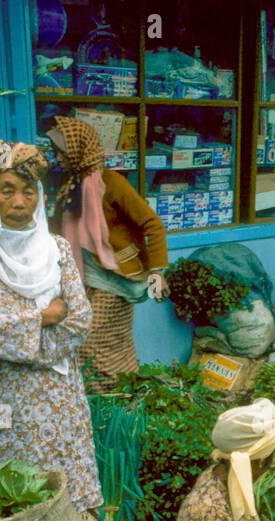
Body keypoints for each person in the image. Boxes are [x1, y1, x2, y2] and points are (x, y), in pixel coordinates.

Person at [0, 138, 102, 517]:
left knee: (61, 500)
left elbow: (80, 321)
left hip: (56, 404)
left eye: (29, 191)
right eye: (7, 190)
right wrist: (44, 318)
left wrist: (10, 332)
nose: (20, 203)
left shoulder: (58, 250)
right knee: (3, 503)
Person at [47, 115, 168, 391]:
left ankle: (114, 398)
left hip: (116, 278)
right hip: (84, 278)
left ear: (78, 148)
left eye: (61, 151)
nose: (57, 157)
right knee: (110, 342)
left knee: (90, 339)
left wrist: (157, 270)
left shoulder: (110, 183)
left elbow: (153, 224)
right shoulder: (71, 184)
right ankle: (118, 396)